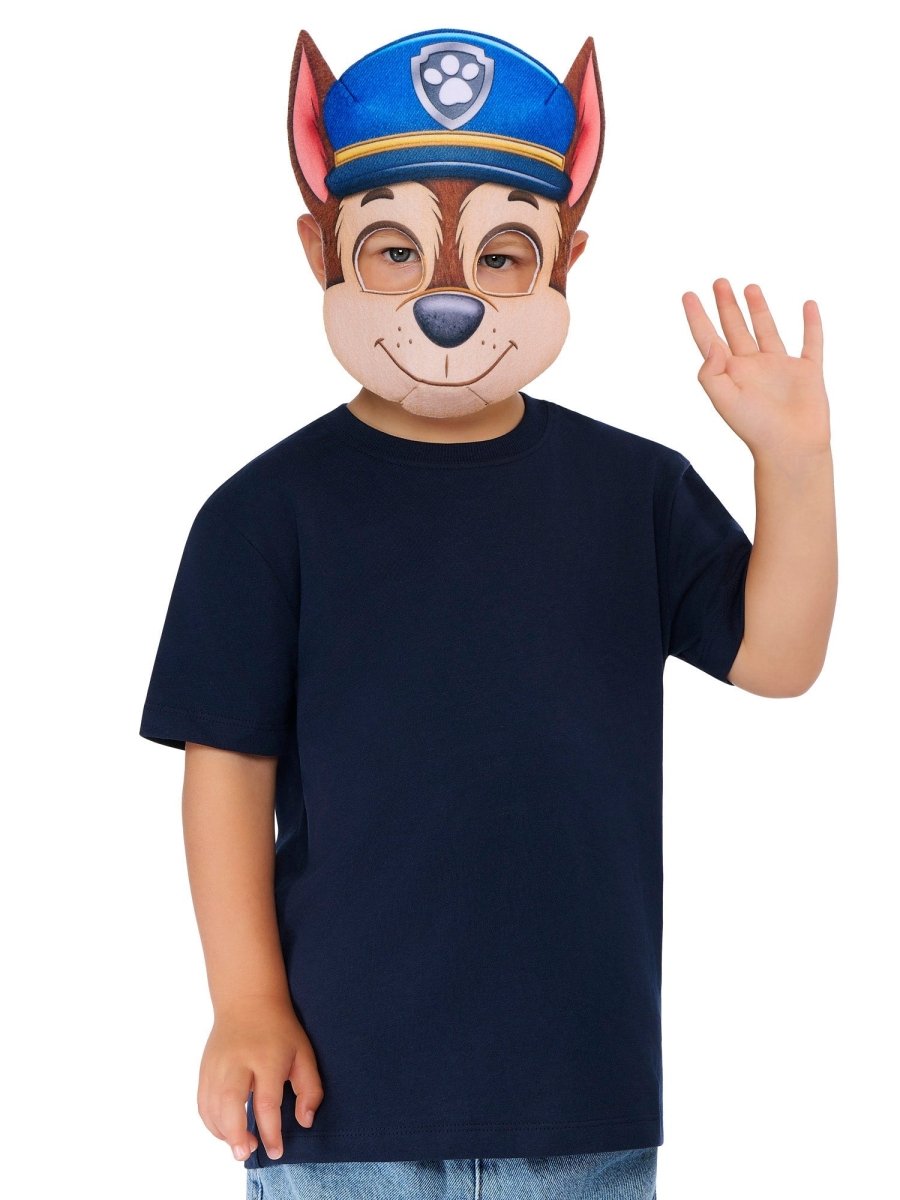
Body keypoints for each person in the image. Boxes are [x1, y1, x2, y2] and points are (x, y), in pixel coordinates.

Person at [138, 26, 837, 1200]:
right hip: (337, 1104)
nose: (449, 301)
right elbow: (227, 775)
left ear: (567, 258)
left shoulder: (636, 491)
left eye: (503, 255)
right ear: (321, 249)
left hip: (582, 1098)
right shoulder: (262, 516)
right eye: (395, 251)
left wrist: (797, 464)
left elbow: (779, 658)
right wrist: (245, 1003)